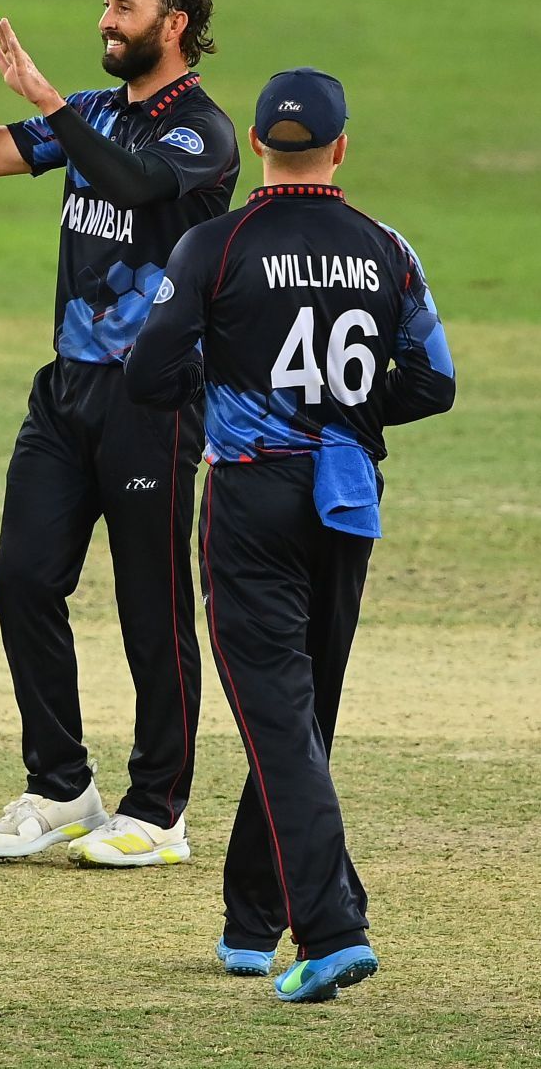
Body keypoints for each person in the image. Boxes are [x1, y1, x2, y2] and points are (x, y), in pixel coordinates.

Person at [0, 0, 239, 867]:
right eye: (105, 4)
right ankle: (62, 787)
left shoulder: (201, 132)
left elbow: (134, 186)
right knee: (21, 578)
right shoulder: (92, 114)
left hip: (154, 399)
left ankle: (160, 809)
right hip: (65, 392)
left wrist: (51, 104)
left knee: (149, 605)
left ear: (172, 25)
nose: (107, 19)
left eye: (125, 7)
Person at [126, 67, 455, 999]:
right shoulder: (387, 248)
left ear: (261, 145)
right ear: (342, 148)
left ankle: (331, 929)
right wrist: (350, 414)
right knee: (302, 714)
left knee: (275, 715)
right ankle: (249, 919)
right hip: (346, 501)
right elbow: (433, 381)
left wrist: (230, 392)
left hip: (251, 499)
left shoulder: (214, 245)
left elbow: (149, 376)